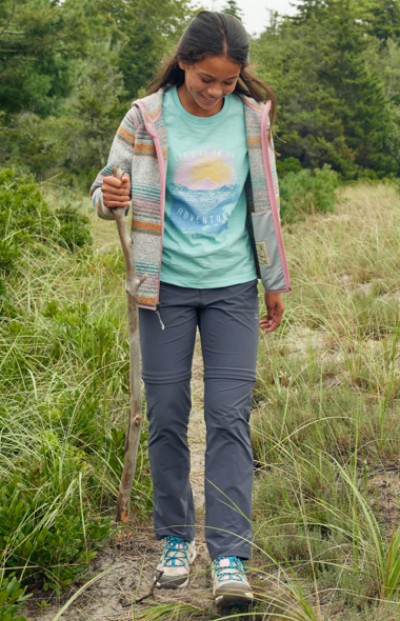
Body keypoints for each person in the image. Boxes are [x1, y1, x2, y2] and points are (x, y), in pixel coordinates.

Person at [90, 10, 290, 611]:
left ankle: (230, 554)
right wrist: (111, 196)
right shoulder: (145, 117)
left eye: (228, 81)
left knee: (230, 418)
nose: (216, 91)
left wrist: (274, 279)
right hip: (163, 291)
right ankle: (176, 540)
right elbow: (106, 189)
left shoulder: (252, 119)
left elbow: (267, 201)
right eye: (207, 78)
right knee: (168, 415)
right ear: (184, 62)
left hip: (233, 287)